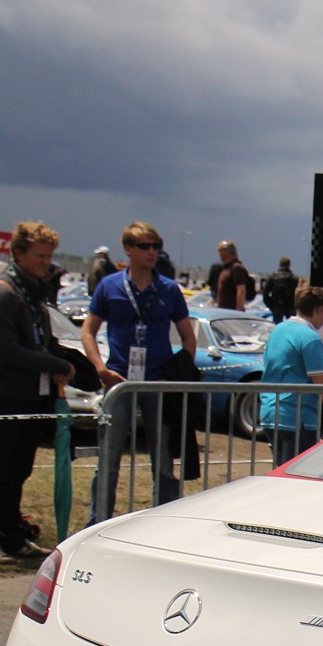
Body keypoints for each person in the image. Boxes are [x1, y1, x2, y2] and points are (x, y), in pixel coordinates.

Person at [0, 222, 76, 563]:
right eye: (40, 255)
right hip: (3, 394)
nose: (46, 262)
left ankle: (11, 535)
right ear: (18, 254)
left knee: (18, 471)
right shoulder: (2, 293)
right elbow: (6, 349)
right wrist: (51, 362)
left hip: (30, 394)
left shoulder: (32, 292)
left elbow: (39, 340)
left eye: (49, 256)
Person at [82, 221, 198, 525]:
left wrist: (177, 373)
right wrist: (100, 368)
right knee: (108, 461)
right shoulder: (109, 285)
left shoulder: (169, 289)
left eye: (156, 246)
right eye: (145, 247)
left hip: (157, 382)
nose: (152, 252)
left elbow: (188, 336)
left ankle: (165, 524)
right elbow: (88, 331)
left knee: (163, 461)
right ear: (128, 250)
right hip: (119, 381)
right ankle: (98, 523)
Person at [260, 285, 323, 464]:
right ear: (319, 309)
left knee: (280, 471)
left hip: (269, 412)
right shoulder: (310, 338)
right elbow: (321, 382)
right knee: (296, 476)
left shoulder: (277, 330)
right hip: (298, 417)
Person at [212, 240, 254, 312]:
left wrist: (239, 311)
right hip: (222, 311)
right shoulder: (226, 268)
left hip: (231, 312)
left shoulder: (236, 268)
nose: (221, 256)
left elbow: (241, 289)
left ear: (229, 252)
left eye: (223, 254)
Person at [261, 257, 298, 325]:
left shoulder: (272, 277)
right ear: (289, 266)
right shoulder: (294, 279)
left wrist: (271, 306)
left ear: (279, 264)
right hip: (290, 307)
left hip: (277, 306)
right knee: (291, 326)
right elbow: (298, 294)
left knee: (276, 326)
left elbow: (265, 294)